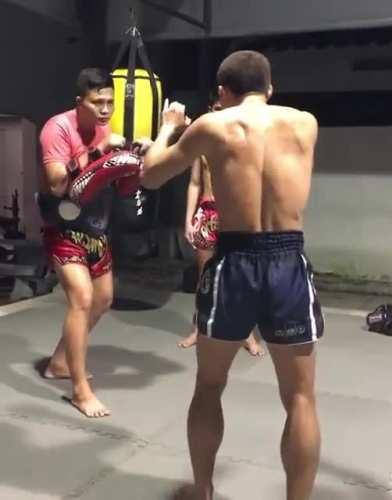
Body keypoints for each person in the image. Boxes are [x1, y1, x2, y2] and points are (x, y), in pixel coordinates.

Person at [143, 51, 324, 500]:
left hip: (234, 261)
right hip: (288, 262)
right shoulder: (305, 123)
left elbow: (148, 175)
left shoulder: (212, 125)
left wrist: (169, 124)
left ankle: (203, 490)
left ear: (222, 92)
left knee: (209, 384)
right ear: (270, 87)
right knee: (300, 397)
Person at [38, 67, 145, 418]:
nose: (105, 110)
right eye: (97, 102)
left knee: (103, 299)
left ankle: (58, 363)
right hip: (63, 227)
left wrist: (129, 156)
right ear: (79, 102)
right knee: (81, 299)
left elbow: (105, 176)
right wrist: (99, 148)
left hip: (96, 227)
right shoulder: (58, 128)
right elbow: (56, 184)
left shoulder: (104, 126)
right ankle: (80, 391)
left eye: (110, 102)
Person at [181, 145, 264, 356]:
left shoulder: (243, 143)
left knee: (240, 276)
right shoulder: (203, 146)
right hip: (207, 212)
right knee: (204, 277)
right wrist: (188, 220)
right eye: (215, 108)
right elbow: (194, 182)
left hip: (235, 213)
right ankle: (199, 328)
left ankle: (246, 332)